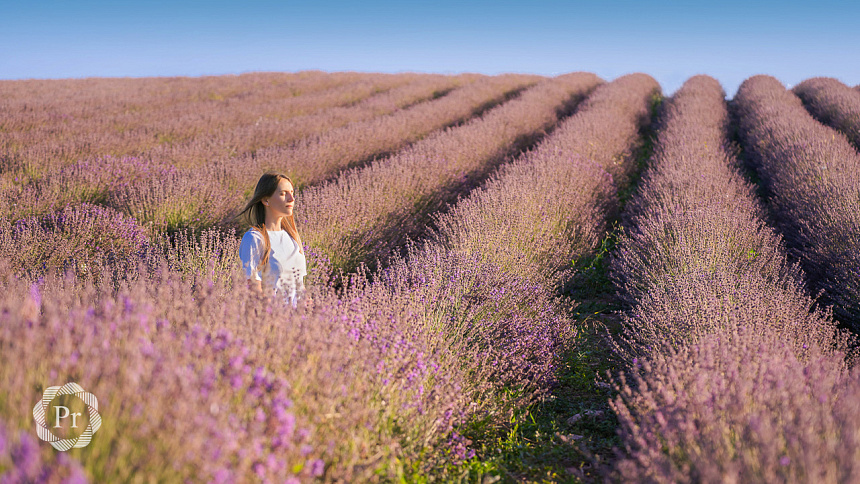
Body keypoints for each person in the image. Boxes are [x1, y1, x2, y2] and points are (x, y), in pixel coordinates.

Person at [238, 173, 308, 308]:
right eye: (283, 193)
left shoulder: (292, 237)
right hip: (274, 319)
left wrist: (311, 307)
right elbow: (253, 285)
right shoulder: (254, 238)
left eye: (292, 193)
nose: (291, 199)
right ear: (266, 200)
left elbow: (299, 285)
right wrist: (274, 317)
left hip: (299, 320)